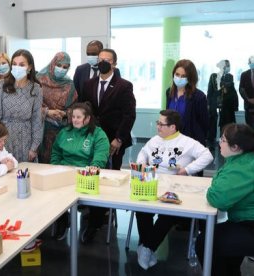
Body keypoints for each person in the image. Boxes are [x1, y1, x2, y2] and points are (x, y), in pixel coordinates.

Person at [134, 109, 213, 270]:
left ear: (173, 127)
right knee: (141, 209)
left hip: (175, 187)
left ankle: (147, 247)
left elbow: (208, 156)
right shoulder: (154, 141)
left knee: (168, 214)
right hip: (151, 182)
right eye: (158, 123)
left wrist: (187, 170)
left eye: (161, 124)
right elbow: (142, 154)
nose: (158, 127)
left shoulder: (187, 142)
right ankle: (147, 247)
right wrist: (142, 163)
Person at [81, 48, 136, 243]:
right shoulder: (88, 84)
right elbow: (85, 110)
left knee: (110, 177)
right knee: (94, 175)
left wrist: (119, 138)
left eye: (107, 60)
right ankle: (95, 216)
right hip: (94, 138)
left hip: (115, 140)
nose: (103, 62)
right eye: (100, 59)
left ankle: (103, 214)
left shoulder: (124, 86)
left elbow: (129, 115)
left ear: (114, 63)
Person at [196, 123, 254, 276]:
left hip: (249, 224)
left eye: (222, 139)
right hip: (243, 220)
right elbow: (220, 182)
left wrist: (212, 188)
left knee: (206, 242)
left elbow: (218, 198)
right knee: (224, 243)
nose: (219, 143)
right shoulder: (244, 159)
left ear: (235, 147)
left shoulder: (243, 167)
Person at [50, 102, 110, 240]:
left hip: (86, 174)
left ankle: (93, 226)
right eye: (73, 117)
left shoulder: (98, 134)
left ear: (87, 119)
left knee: (98, 197)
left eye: (78, 117)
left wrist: (94, 166)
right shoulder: (65, 132)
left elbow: (101, 155)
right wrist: (55, 166)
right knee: (53, 193)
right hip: (65, 173)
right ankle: (62, 221)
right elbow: (56, 153)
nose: (75, 120)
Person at [0, 49, 43, 163]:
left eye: (21, 65)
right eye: (14, 64)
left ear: (29, 67)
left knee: (24, 175)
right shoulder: (1, 85)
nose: (17, 67)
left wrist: (34, 147)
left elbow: (37, 120)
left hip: (26, 139)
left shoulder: (36, 88)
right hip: (3, 137)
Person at [37, 51, 78, 164]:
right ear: (53, 64)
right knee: (42, 165)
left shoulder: (69, 85)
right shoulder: (39, 80)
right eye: (59, 65)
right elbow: (30, 107)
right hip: (41, 131)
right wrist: (48, 112)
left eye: (65, 67)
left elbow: (75, 108)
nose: (61, 69)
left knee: (60, 164)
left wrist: (64, 114)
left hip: (61, 132)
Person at [166, 59, 209, 147]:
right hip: (172, 139)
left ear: (190, 78)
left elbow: (204, 124)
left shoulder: (199, 97)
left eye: (183, 76)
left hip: (191, 142)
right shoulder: (169, 92)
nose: (179, 78)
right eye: (177, 74)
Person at [207, 60, 239, 150]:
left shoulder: (229, 76)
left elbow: (231, 89)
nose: (227, 68)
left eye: (228, 66)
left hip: (226, 104)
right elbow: (210, 90)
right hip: (214, 102)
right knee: (212, 122)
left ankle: (225, 142)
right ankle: (211, 142)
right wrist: (208, 103)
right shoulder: (213, 76)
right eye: (226, 66)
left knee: (225, 123)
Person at [239, 55, 254, 129]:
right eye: (251, 62)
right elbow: (241, 89)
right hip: (248, 106)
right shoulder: (244, 74)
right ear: (248, 63)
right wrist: (248, 99)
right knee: (249, 128)